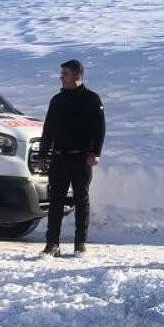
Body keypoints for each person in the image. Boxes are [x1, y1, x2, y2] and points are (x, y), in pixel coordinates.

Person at [40, 59, 105, 258]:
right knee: (56, 201)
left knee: (81, 199)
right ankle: (52, 244)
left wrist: (96, 153)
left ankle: (80, 243)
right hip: (59, 158)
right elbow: (48, 129)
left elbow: (99, 128)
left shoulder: (92, 99)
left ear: (77, 76)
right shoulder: (57, 100)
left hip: (82, 159)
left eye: (65, 74)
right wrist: (44, 155)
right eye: (61, 74)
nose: (61, 77)